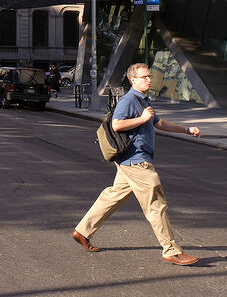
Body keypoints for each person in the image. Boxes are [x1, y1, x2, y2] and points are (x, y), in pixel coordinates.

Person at [71, 62, 202, 266]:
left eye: (149, 76)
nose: (149, 79)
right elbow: (117, 124)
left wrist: (186, 130)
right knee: (156, 204)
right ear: (133, 80)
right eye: (144, 77)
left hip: (130, 162)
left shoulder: (143, 100)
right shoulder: (130, 100)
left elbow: (159, 123)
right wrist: (141, 119)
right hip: (136, 161)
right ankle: (171, 250)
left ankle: (82, 231)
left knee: (113, 196)